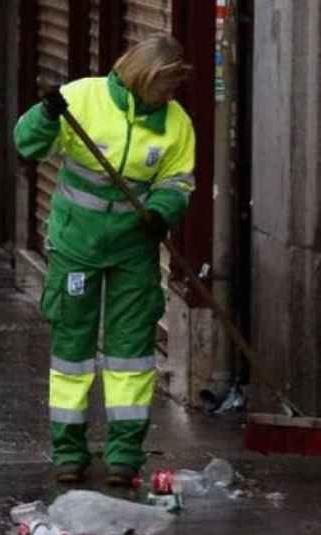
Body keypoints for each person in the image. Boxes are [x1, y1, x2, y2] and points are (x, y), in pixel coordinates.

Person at [13, 34, 196, 485]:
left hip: (134, 249)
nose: (170, 96)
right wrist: (44, 115)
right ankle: (69, 453)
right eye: (165, 86)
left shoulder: (176, 123)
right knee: (72, 352)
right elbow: (26, 144)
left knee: (130, 353)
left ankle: (124, 455)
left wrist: (162, 211)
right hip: (77, 245)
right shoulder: (83, 98)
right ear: (145, 76)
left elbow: (178, 181)